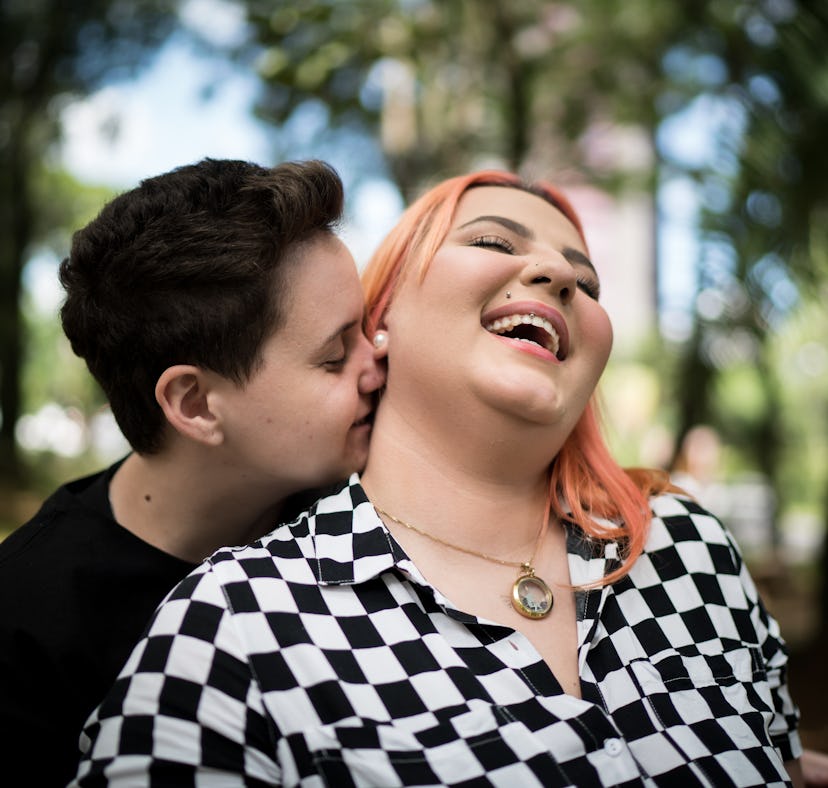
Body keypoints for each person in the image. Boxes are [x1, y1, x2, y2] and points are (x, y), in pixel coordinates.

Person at [72, 170, 803, 787]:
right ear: (377, 317)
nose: (558, 276)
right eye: (491, 242)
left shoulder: (687, 547)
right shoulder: (236, 619)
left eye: (587, 279)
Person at [0, 158, 384, 787]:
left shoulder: (365, 512)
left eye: (369, 327)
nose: (378, 361)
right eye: (336, 356)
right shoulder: (25, 632)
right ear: (196, 405)